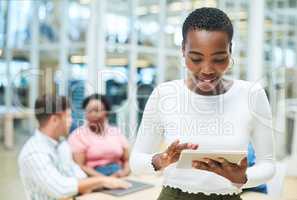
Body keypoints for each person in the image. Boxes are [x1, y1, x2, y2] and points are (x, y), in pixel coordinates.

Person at [130, 7, 275, 200]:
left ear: (230, 50)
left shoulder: (252, 95)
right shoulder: (164, 94)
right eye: (196, 58)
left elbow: (268, 164)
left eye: (219, 59)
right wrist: (161, 160)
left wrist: (244, 177)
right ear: (183, 50)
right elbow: (136, 161)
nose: (207, 70)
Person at [18, 94, 130, 200]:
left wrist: (106, 183)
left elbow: (78, 174)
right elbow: (60, 189)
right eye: (68, 116)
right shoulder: (34, 153)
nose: (71, 121)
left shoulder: (62, 145)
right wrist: (103, 180)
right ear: (54, 120)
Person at [68, 94, 130, 177]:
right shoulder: (77, 135)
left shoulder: (116, 132)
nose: (93, 114)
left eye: (97, 110)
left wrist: (123, 173)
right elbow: (80, 166)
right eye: (89, 111)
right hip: (93, 178)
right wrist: (104, 179)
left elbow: (127, 160)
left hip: (120, 175)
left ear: (106, 112)